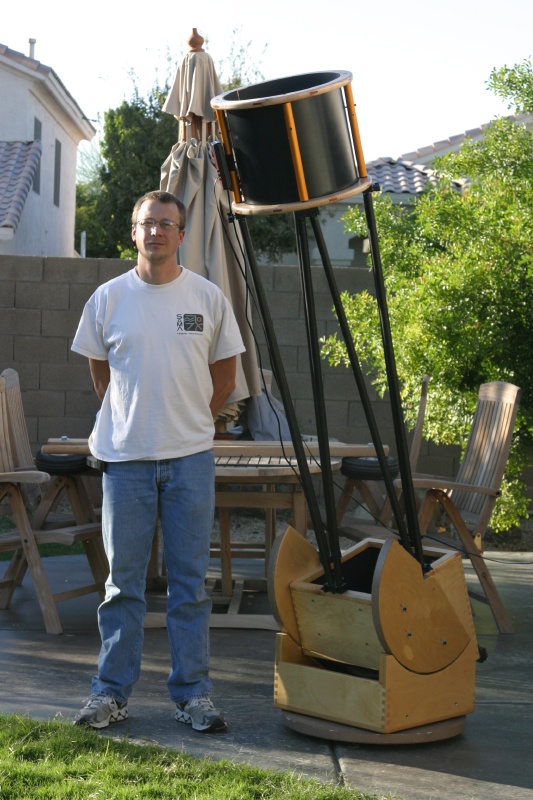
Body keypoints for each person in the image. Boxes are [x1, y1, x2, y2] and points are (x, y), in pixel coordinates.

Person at [71, 190, 245, 733]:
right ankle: (109, 694)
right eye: (148, 223)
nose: (157, 232)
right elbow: (100, 373)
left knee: (190, 585)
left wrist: (190, 421)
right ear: (134, 231)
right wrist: (131, 417)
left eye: (167, 224)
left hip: (190, 459)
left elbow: (226, 376)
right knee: (122, 584)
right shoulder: (107, 299)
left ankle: (194, 696)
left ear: (182, 234)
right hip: (125, 460)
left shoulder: (208, 298)